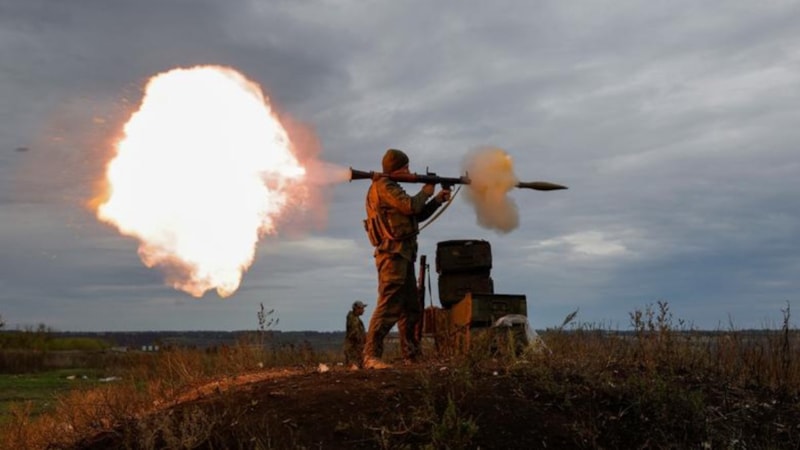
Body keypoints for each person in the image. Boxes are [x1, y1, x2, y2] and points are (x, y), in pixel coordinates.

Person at [362, 149, 451, 369]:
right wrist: (428, 189)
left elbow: (416, 214)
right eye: (407, 168)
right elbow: (410, 206)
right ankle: (371, 355)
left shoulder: (390, 187)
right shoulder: (384, 186)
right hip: (392, 255)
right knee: (389, 303)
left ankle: (411, 355)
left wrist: (438, 198)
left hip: (402, 254)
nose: (410, 172)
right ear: (399, 168)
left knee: (411, 307)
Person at [344, 300, 367, 369]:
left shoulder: (355, 318)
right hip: (353, 348)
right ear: (357, 309)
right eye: (362, 308)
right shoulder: (353, 319)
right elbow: (354, 333)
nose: (363, 310)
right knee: (354, 367)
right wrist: (361, 341)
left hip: (356, 348)